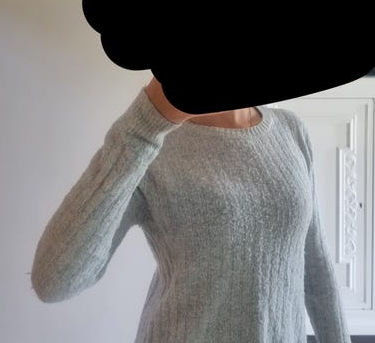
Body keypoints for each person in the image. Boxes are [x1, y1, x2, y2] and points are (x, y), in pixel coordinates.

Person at [31, 77, 352, 343]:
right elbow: (55, 280)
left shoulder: (291, 130)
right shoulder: (150, 144)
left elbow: (316, 263)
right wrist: (144, 123)